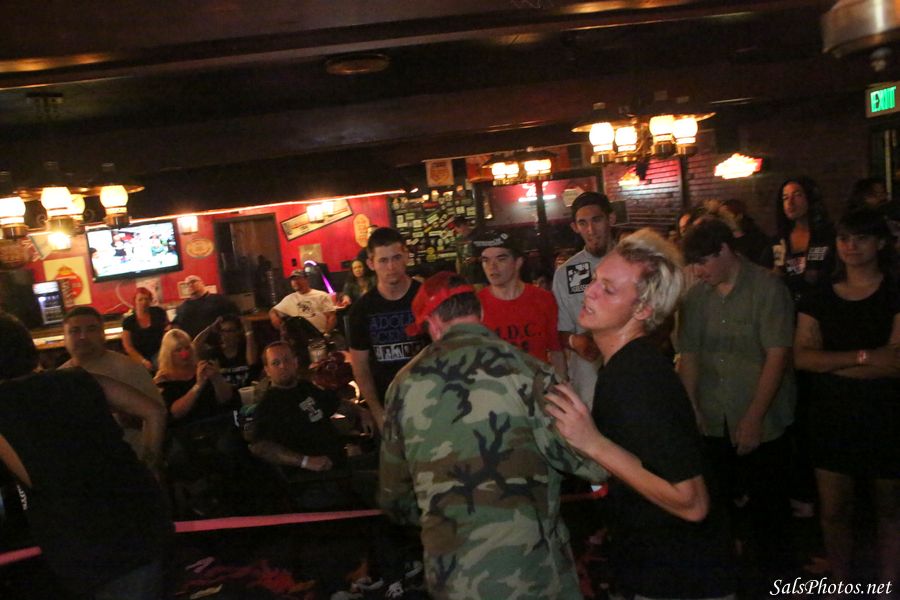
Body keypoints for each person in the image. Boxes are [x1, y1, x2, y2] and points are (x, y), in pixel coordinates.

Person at [379, 272, 607, 600]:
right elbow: (588, 464)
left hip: (452, 577)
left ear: (433, 324)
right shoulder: (532, 372)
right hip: (534, 574)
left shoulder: (402, 386)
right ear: (481, 312)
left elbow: (394, 497)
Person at [543, 229, 736, 600]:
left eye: (608, 289)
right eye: (595, 281)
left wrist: (593, 443)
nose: (590, 292)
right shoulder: (623, 366)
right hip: (657, 566)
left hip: (683, 579)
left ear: (643, 310)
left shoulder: (639, 377)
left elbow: (692, 502)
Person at [0, 313, 172, 600]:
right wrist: (150, 466)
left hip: (82, 538)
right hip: (138, 513)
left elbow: (35, 478)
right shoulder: (79, 378)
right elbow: (154, 411)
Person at [679, 218, 796, 584]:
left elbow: (777, 356)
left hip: (763, 415)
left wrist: (754, 417)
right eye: (693, 263)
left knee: (770, 510)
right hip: (714, 415)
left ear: (725, 250)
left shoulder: (767, 289)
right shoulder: (695, 298)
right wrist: (691, 405)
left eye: (703, 262)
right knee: (719, 508)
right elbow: (689, 356)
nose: (698, 272)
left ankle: (777, 581)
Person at [793, 208, 900, 586]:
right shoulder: (819, 297)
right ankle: (840, 583)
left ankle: (888, 586)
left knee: (889, 509)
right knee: (834, 510)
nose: (851, 246)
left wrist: (830, 362)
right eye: (844, 239)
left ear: (880, 243)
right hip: (832, 413)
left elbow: (896, 363)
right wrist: (865, 357)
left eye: (861, 238)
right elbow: (802, 357)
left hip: (886, 412)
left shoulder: (894, 292)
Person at [61, 305, 166, 460]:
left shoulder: (130, 369)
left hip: (127, 459)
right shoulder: (60, 376)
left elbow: (158, 416)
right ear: (65, 338)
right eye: (75, 331)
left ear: (102, 334)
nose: (83, 336)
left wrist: (150, 462)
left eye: (91, 329)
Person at [348, 227, 427, 428]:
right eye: (383, 260)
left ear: (406, 256)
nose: (391, 266)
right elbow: (360, 368)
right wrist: (377, 412)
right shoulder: (362, 309)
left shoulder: (427, 298)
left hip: (430, 401)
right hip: (388, 405)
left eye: (396, 258)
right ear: (371, 263)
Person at [552, 191, 616, 407]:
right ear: (574, 227)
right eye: (583, 223)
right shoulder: (569, 272)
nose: (591, 230)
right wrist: (575, 341)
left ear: (611, 219)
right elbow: (560, 331)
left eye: (597, 220)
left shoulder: (633, 261)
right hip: (588, 382)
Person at [474, 229, 566, 377]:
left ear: (518, 263)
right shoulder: (474, 306)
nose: (492, 266)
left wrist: (561, 384)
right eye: (486, 260)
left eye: (501, 259)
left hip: (537, 385)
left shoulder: (543, 299)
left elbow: (556, 351)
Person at [767, 176, 835, 304]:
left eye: (797, 195)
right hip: (787, 304)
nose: (790, 202)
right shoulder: (779, 240)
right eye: (785, 198)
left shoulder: (828, 235)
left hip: (823, 302)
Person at [155, 328, 236, 426]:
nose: (184, 354)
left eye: (187, 348)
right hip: (186, 428)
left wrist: (217, 378)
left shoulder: (202, 368)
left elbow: (226, 399)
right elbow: (175, 413)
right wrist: (198, 385)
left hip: (215, 422)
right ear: (169, 354)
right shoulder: (163, 379)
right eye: (178, 350)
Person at [193, 314, 259, 389]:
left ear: (238, 333)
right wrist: (211, 327)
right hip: (223, 394)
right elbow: (195, 345)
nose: (225, 335)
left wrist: (248, 331)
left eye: (230, 331)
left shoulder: (246, 349)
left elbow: (252, 362)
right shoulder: (215, 352)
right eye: (223, 331)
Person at [269, 268, 337, 334]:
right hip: (301, 336)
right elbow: (273, 311)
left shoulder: (321, 295)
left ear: (306, 279)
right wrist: (274, 318)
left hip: (320, 334)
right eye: (293, 280)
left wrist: (326, 334)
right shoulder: (289, 298)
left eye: (298, 278)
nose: (295, 282)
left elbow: (332, 317)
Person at [173, 274, 239, 338]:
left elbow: (235, 317)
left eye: (193, 281)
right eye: (187, 284)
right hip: (194, 343)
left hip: (218, 341)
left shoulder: (220, 300)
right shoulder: (183, 307)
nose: (190, 285)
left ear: (202, 283)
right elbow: (177, 325)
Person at [121, 286, 170, 370]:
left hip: (160, 352)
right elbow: (128, 346)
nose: (144, 302)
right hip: (139, 356)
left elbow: (168, 330)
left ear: (150, 300)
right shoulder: (129, 321)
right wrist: (143, 361)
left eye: (146, 299)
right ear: (135, 302)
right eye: (140, 299)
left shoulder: (158, 312)